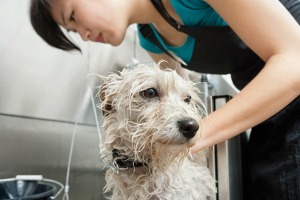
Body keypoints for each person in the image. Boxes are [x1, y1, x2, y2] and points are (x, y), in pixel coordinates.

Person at [30, 0, 300, 199]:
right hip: (271, 103)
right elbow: (178, 97)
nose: (84, 35)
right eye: (73, 31)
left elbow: (295, 59)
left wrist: (198, 134)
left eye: (73, 16)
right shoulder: (151, 39)